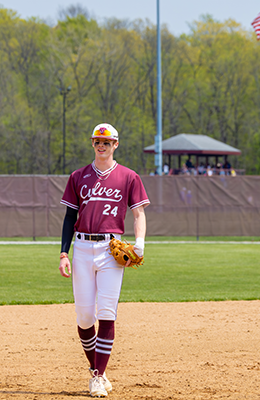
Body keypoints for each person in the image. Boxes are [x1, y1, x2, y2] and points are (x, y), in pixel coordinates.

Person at [59, 123, 150, 398]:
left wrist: (140, 244)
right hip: (82, 249)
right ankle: (97, 369)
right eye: (98, 142)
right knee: (85, 317)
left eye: (107, 142)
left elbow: (138, 214)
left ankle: (97, 377)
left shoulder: (128, 177)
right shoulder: (78, 177)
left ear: (116, 145)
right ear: (93, 144)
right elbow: (68, 218)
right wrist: (64, 252)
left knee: (106, 313)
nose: (102, 146)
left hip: (111, 250)